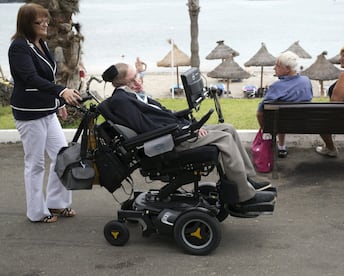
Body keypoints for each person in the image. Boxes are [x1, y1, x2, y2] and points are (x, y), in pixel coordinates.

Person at [101, 63, 276, 214]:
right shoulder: (122, 101)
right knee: (224, 139)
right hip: (169, 141)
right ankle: (243, 196)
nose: (137, 82)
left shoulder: (133, 95)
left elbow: (162, 115)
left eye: (137, 77)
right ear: (121, 83)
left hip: (175, 131)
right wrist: (185, 130)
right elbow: (147, 128)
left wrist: (187, 124)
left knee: (228, 128)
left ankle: (246, 180)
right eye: (132, 80)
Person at [8, 3, 82, 223]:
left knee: (63, 156)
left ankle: (57, 204)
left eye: (46, 20)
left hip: (47, 110)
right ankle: (37, 212)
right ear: (27, 24)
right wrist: (62, 91)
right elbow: (30, 78)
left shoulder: (40, 43)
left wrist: (58, 101)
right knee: (35, 164)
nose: (45, 24)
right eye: (40, 21)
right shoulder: (18, 47)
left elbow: (47, 78)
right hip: (29, 113)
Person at [256, 51, 313, 158]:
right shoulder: (306, 81)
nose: (274, 68)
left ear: (287, 69)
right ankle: (281, 146)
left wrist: (265, 130)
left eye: (277, 66)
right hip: (303, 123)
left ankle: (279, 146)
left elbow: (259, 113)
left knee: (279, 116)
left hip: (281, 124)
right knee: (283, 115)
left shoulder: (276, 87)